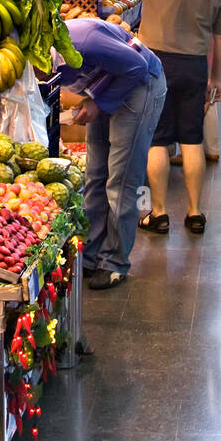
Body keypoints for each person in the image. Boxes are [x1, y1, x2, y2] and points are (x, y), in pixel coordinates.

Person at [43, 0, 221, 236]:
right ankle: (195, 212)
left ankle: (158, 212)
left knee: (157, 140)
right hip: (195, 65)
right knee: (192, 138)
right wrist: (217, 78)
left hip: (156, 63)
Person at [56, 19, 168, 290]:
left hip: (141, 84)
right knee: (95, 174)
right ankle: (90, 254)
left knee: (121, 178)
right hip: (109, 84)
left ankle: (114, 262)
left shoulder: (82, 42)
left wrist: (98, 102)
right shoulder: (40, 53)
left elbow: (136, 67)